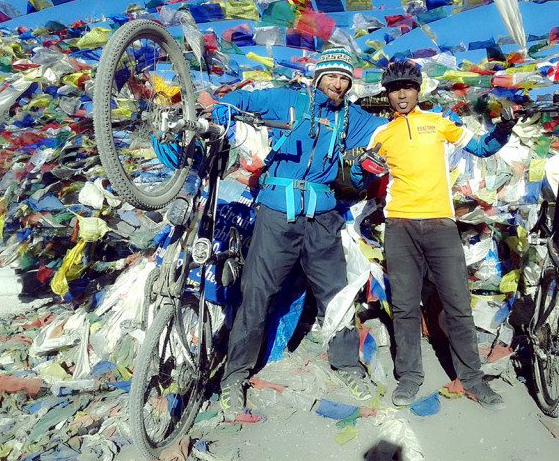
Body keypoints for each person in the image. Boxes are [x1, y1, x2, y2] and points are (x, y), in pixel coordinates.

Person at [211, 47, 388, 420]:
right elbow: (240, 101)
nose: (337, 84)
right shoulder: (288, 100)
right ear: (319, 76)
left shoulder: (351, 118)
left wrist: (425, 128)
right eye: (332, 76)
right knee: (257, 292)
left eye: (344, 79)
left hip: (323, 216)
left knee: (337, 295)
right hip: (278, 213)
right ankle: (235, 375)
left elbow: (390, 132)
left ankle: (348, 366)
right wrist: (222, 111)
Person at [350, 60, 515, 410]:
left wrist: (504, 130)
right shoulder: (381, 134)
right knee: (405, 306)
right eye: (395, 89)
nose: (402, 95)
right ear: (387, 95)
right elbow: (361, 177)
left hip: (441, 225)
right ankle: (409, 376)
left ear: (418, 90)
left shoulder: (440, 123)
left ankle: (472, 379)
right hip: (400, 228)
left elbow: (482, 148)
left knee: (458, 304)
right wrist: (360, 167)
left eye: (408, 87)